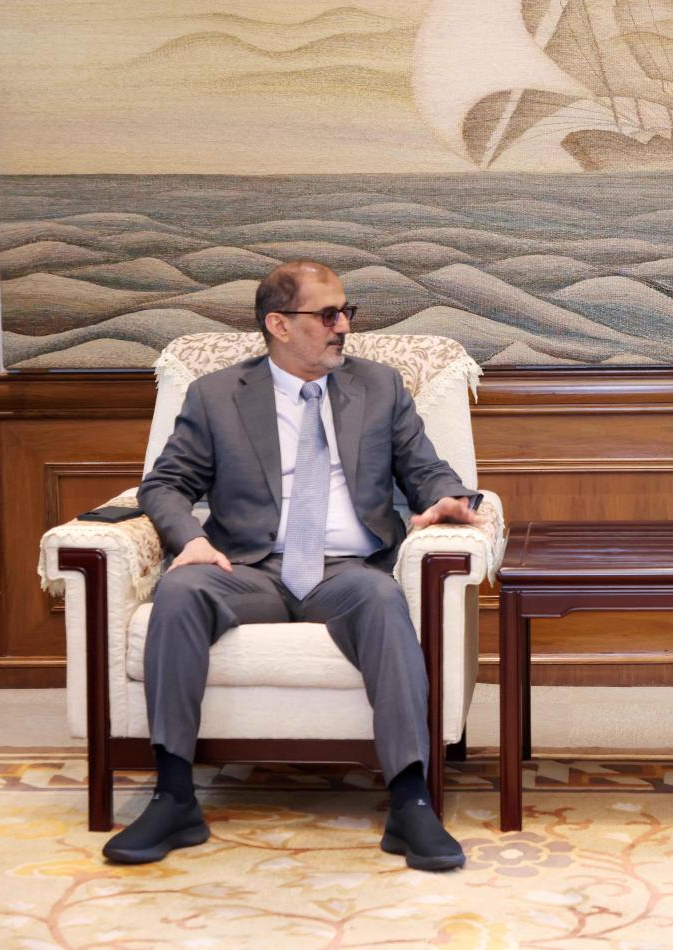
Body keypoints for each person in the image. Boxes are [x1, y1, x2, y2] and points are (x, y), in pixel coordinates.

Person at [104, 260, 482, 871]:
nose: (343, 327)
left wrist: (447, 497)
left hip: (347, 570)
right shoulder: (217, 395)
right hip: (248, 568)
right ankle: (173, 798)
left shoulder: (379, 387)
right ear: (278, 324)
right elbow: (165, 484)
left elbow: (425, 469)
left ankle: (411, 802)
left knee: (385, 600)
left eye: (346, 312)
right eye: (327, 315)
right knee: (179, 592)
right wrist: (189, 540)